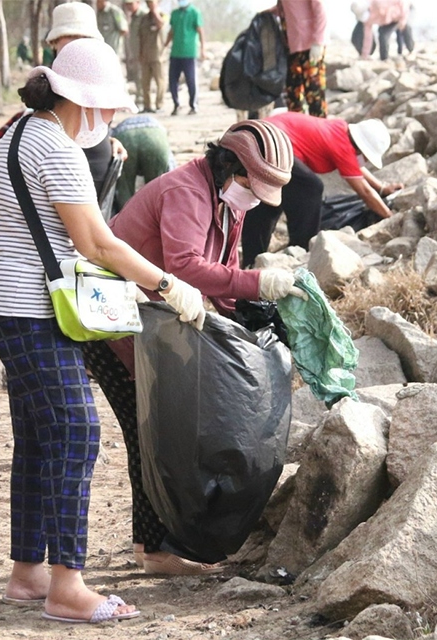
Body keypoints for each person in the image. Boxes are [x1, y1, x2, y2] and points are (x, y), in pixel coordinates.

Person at [0, 38, 206, 624]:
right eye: (109, 108)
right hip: (27, 308)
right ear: (88, 102)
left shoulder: (19, 134)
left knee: (39, 435)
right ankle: (67, 587)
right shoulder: (57, 147)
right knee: (77, 431)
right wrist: (167, 286)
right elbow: (96, 242)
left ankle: (28, 574)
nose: (111, 120)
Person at [81, 119, 304, 575]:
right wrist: (259, 282)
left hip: (153, 325)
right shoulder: (186, 191)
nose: (255, 197)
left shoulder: (229, 202)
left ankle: (161, 541)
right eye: (253, 185)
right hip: (112, 321)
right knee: (146, 430)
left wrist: (246, 315)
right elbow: (185, 264)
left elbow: (224, 273)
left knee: (166, 426)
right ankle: (153, 550)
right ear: (229, 165)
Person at [0, 3, 127, 200]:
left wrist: (109, 138)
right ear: (54, 42)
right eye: (72, 37)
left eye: (84, 39)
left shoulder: (101, 71)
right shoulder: (47, 84)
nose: (78, 44)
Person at [240, 112, 399, 267]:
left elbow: (355, 169)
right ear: (360, 149)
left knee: (267, 203)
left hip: (259, 136)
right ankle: (302, 249)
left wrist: (382, 188)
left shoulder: (340, 130)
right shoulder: (343, 146)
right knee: (310, 188)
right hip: (273, 142)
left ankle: (250, 262)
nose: (364, 160)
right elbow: (364, 191)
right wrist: (389, 216)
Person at [273, 0, 327, 117]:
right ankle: (298, 131)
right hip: (291, 46)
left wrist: (318, 41)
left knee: (314, 94)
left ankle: (319, 131)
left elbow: (320, 10)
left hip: (310, 46)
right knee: (293, 95)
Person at [110, 115, 174, 213]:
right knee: (158, 190)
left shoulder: (117, 129)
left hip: (124, 136)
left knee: (124, 190)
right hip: (155, 135)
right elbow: (171, 168)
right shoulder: (159, 129)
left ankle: (125, 221)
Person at [164, 0, 204, 116]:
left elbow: (200, 31)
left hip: (189, 52)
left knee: (191, 80)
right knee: (172, 81)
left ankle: (193, 105)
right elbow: (171, 31)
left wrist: (203, 49)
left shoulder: (195, 12)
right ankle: (176, 104)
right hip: (175, 52)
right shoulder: (175, 13)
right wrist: (165, 45)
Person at [134, 0, 167, 113]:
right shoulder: (144, 18)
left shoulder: (162, 15)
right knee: (145, 83)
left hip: (158, 55)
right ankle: (147, 105)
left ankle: (159, 105)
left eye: (152, 2)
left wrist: (155, 11)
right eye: (148, 2)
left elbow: (161, 24)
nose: (149, 4)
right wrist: (140, 53)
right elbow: (140, 36)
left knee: (160, 82)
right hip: (145, 56)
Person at [122, 0, 147, 96]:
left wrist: (143, 51)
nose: (129, 7)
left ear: (138, 2)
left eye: (131, 4)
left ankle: (143, 98)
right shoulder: (132, 16)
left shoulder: (143, 15)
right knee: (137, 76)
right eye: (127, 4)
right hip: (135, 52)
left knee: (142, 77)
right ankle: (140, 97)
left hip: (143, 53)